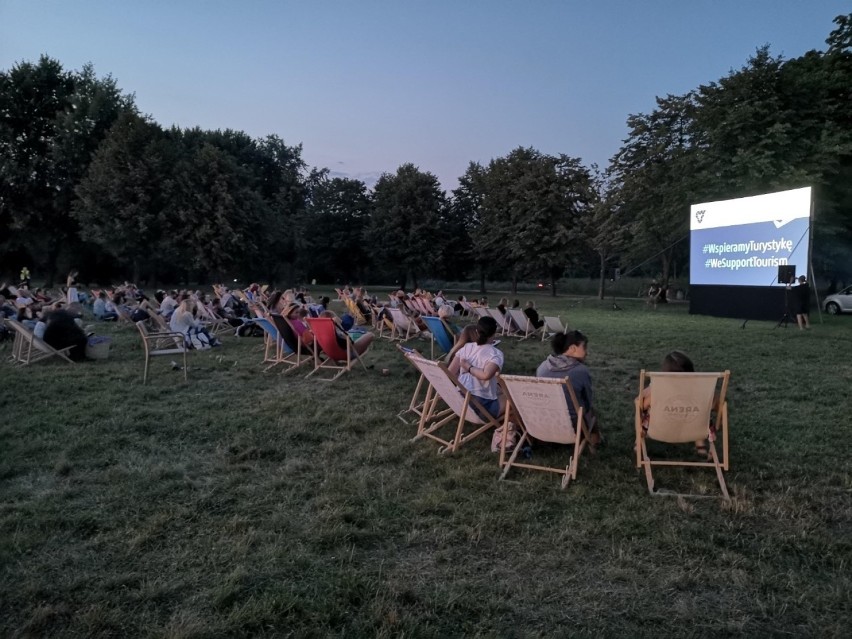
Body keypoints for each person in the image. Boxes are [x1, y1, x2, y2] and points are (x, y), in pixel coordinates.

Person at [536, 330, 601, 445]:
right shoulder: (580, 371)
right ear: (572, 348)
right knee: (591, 411)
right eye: (584, 347)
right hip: (571, 425)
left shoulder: (543, 367)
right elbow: (587, 403)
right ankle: (596, 441)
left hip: (542, 421)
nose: (587, 352)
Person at [639, 350, 708, 456]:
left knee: (639, 406)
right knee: (699, 413)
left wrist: (642, 397)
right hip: (694, 427)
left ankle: (637, 442)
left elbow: (642, 405)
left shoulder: (658, 388)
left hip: (661, 428)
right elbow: (715, 404)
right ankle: (701, 447)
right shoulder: (700, 389)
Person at [448, 316, 504, 419]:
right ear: (494, 333)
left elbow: (449, 373)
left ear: (477, 331)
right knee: (512, 402)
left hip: (460, 399)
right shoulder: (496, 354)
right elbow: (486, 375)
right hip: (482, 404)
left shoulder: (466, 347)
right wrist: (468, 368)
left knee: (499, 390)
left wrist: (465, 380)